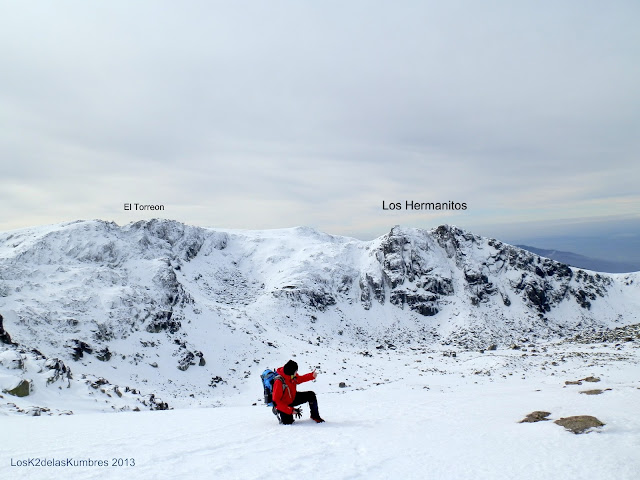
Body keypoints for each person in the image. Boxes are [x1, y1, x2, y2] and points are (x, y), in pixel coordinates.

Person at [272, 360, 324, 424]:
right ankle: (278, 412)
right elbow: (276, 402)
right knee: (288, 422)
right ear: (291, 372)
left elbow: (299, 379)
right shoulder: (279, 381)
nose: (296, 372)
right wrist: (291, 410)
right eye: (295, 371)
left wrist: (311, 376)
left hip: (292, 398)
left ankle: (315, 416)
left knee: (311, 395)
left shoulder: (291, 375)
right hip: (283, 405)